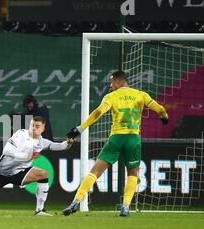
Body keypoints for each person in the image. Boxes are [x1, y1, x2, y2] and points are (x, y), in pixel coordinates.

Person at [63, 70, 169, 217]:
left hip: (116, 138)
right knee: (133, 173)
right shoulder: (141, 95)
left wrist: (80, 129)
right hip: (133, 139)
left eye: (112, 82)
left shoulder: (111, 97)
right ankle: (125, 207)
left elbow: (98, 112)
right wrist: (164, 117)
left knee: (95, 171)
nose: (111, 85)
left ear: (119, 81)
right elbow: (161, 109)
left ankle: (76, 200)